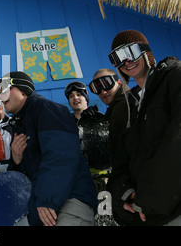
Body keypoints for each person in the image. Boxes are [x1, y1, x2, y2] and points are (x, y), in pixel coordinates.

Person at [0, 71, 98, 226]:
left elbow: (61, 154)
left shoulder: (46, 109)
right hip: (44, 208)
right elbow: (29, 172)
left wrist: (46, 198)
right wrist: (16, 159)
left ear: (22, 90)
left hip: (69, 202)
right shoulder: (21, 122)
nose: (0, 96)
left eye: (4, 90)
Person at [106, 29, 181, 226]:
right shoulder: (130, 108)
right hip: (148, 214)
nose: (126, 62)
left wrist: (149, 196)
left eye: (131, 52)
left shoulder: (174, 77)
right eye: (118, 58)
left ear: (145, 50)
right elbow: (121, 162)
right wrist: (125, 194)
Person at [64, 81, 111, 190]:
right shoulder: (66, 124)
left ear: (86, 98)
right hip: (78, 181)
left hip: (104, 179)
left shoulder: (101, 119)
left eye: (79, 94)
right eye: (71, 96)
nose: (75, 98)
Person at [89, 69, 127, 158]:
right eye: (97, 88)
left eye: (107, 84)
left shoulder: (129, 104)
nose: (103, 92)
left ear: (119, 82)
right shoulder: (113, 110)